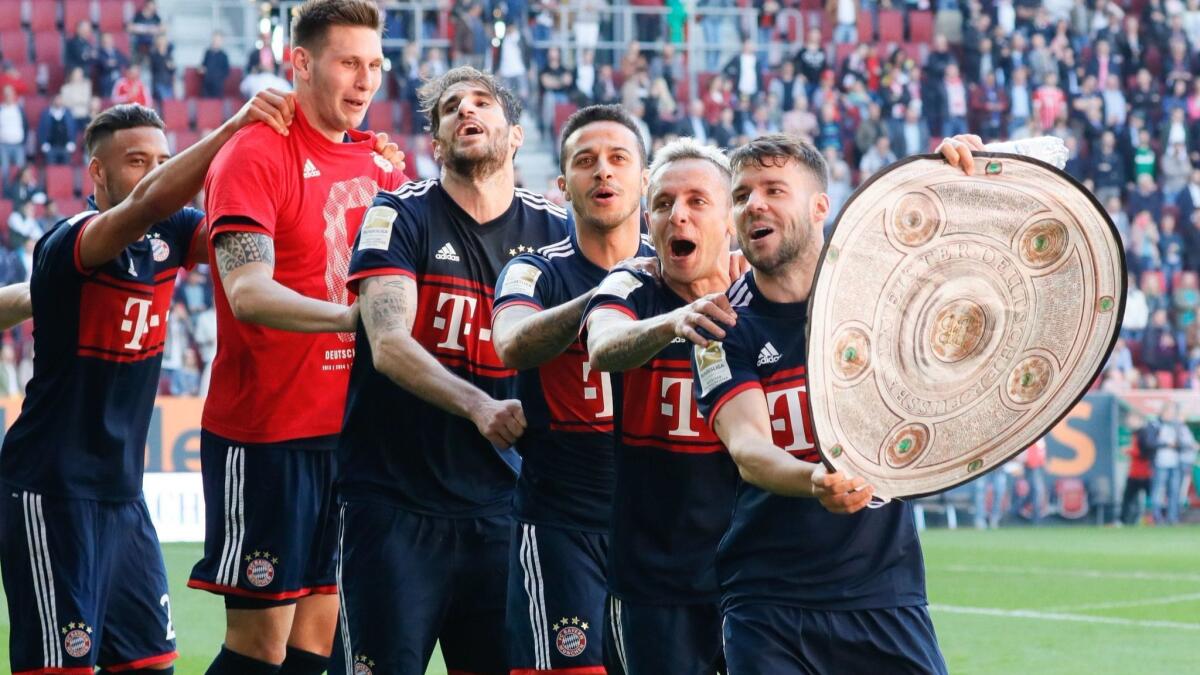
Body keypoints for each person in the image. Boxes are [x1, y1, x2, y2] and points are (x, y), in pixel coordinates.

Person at [0, 93, 299, 675]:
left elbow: (257, 234)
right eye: (138, 160)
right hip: (51, 491)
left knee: (153, 664)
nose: (156, 171)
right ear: (97, 172)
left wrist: (338, 171)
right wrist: (234, 127)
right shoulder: (73, 239)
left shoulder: (170, 237)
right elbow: (144, 204)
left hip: (123, 497)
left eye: (163, 158)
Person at [692, 133, 981, 674]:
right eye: (741, 194)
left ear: (820, 205)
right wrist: (813, 481)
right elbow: (749, 449)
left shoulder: (880, 290)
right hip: (767, 603)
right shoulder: (719, 325)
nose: (754, 204)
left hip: (884, 591)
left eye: (774, 189)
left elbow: (969, 267)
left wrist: (957, 173)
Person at [185, 2, 408, 673]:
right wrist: (353, 320)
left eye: (374, 65)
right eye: (348, 62)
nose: (365, 80)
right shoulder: (254, 153)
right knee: (260, 648)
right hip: (266, 437)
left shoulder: (383, 166)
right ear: (300, 63)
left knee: (317, 644)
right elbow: (247, 291)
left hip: (348, 437)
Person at [333, 65, 568, 674]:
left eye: (483, 103)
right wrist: (479, 406)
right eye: (450, 108)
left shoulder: (556, 233)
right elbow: (387, 343)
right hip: (392, 505)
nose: (467, 111)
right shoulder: (398, 214)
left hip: (508, 508)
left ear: (515, 135)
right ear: (435, 143)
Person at [490, 104, 654, 674]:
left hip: (663, 525)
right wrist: (611, 294)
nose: (603, 172)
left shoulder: (681, 270)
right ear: (563, 186)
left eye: (618, 159)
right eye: (586, 162)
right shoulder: (534, 271)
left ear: (645, 178)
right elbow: (509, 341)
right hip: (561, 524)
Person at [583, 138, 740, 675]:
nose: (679, 215)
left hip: (752, 580)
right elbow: (603, 347)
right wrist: (674, 322)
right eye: (665, 202)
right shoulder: (631, 283)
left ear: (731, 220)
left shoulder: (761, 292)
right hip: (654, 582)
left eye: (698, 201)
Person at [200, 32, 232, 98]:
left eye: (218, 40)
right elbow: (203, 65)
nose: (215, 42)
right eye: (214, 40)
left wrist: (216, 74)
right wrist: (201, 69)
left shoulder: (224, 55)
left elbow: (226, 71)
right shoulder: (208, 53)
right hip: (207, 83)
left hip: (218, 84)